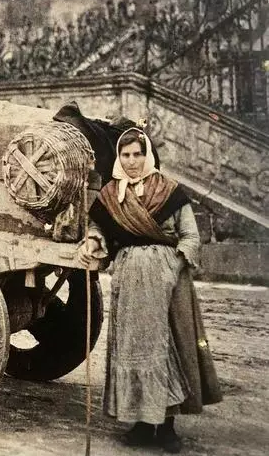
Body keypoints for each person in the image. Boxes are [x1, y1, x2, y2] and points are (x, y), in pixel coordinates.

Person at [77, 128, 222, 453]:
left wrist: (172, 266)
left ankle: (167, 428)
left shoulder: (168, 191)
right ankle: (141, 425)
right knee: (134, 350)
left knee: (167, 350)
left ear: (148, 156)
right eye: (125, 155)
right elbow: (97, 226)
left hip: (167, 282)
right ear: (119, 157)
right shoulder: (111, 195)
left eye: (137, 154)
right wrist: (93, 240)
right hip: (129, 280)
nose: (131, 161)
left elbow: (190, 236)